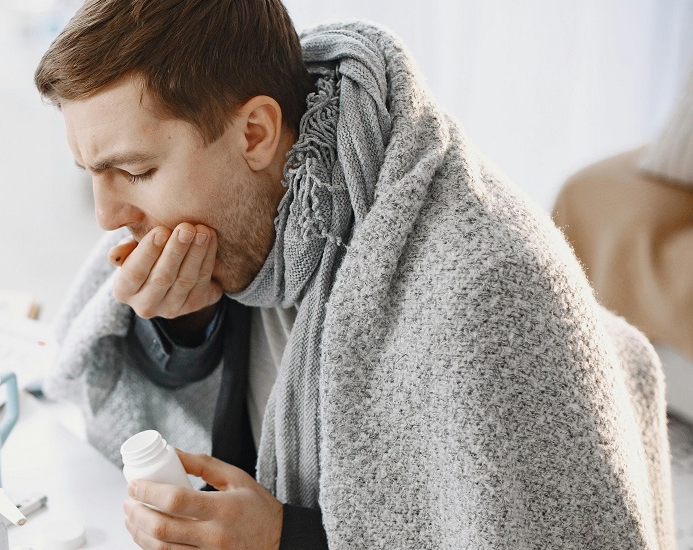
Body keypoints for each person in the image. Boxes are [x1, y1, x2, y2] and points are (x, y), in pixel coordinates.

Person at [33, 1, 674, 548]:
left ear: (255, 132)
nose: (107, 216)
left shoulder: (481, 291)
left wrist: (288, 538)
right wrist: (189, 318)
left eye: (137, 172)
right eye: (90, 173)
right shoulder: (236, 218)